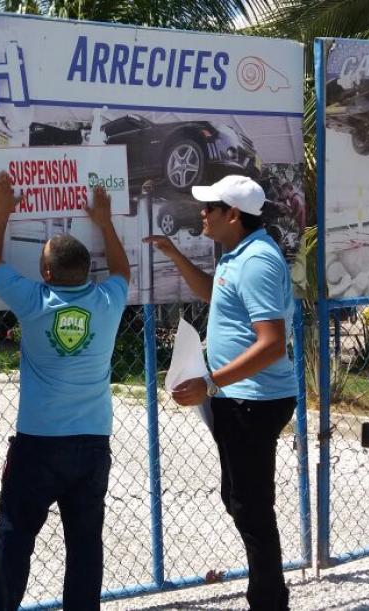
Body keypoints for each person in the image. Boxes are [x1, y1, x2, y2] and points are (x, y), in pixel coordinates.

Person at [143, 174, 297, 611]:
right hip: (238, 398)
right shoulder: (237, 255)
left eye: (210, 208)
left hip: (254, 399)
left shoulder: (257, 262)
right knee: (240, 501)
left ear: (233, 214)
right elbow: (216, 295)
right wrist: (174, 255)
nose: (202, 214)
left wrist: (211, 383)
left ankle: (269, 601)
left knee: (251, 507)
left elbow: (271, 342)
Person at [0, 172, 131, 611]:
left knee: (15, 538)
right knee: (85, 544)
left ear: (46, 273)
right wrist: (103, 221)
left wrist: (3, 211)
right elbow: (121, 270)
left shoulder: (34, 301)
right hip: (92, 443)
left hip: (39, 445)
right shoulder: (107, 301)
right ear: (87, 270)